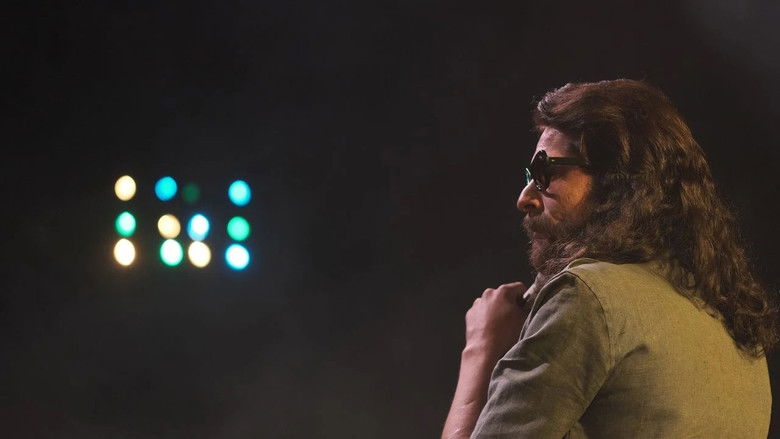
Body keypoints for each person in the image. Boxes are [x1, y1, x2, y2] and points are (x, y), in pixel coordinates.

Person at [441, 79, 778, 438]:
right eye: (530, 176)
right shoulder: (736, 325)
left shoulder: (586, 297)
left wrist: (482, 349)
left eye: (545, 172)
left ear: (616, 181)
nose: (524, 198)